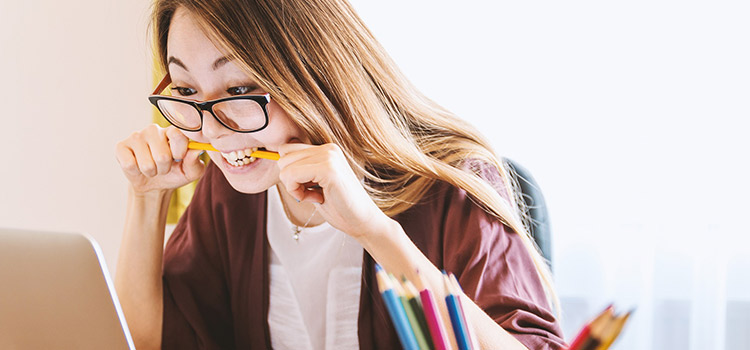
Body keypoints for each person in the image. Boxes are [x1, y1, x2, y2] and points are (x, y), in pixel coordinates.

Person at [114, 0, 566, 349]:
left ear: (315, 74)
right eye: (188, 91)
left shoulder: (453, 183)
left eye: (239, 89)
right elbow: (149, 341)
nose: (212, 130)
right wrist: (146, 198)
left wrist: (373, 231)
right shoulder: (232, 188)